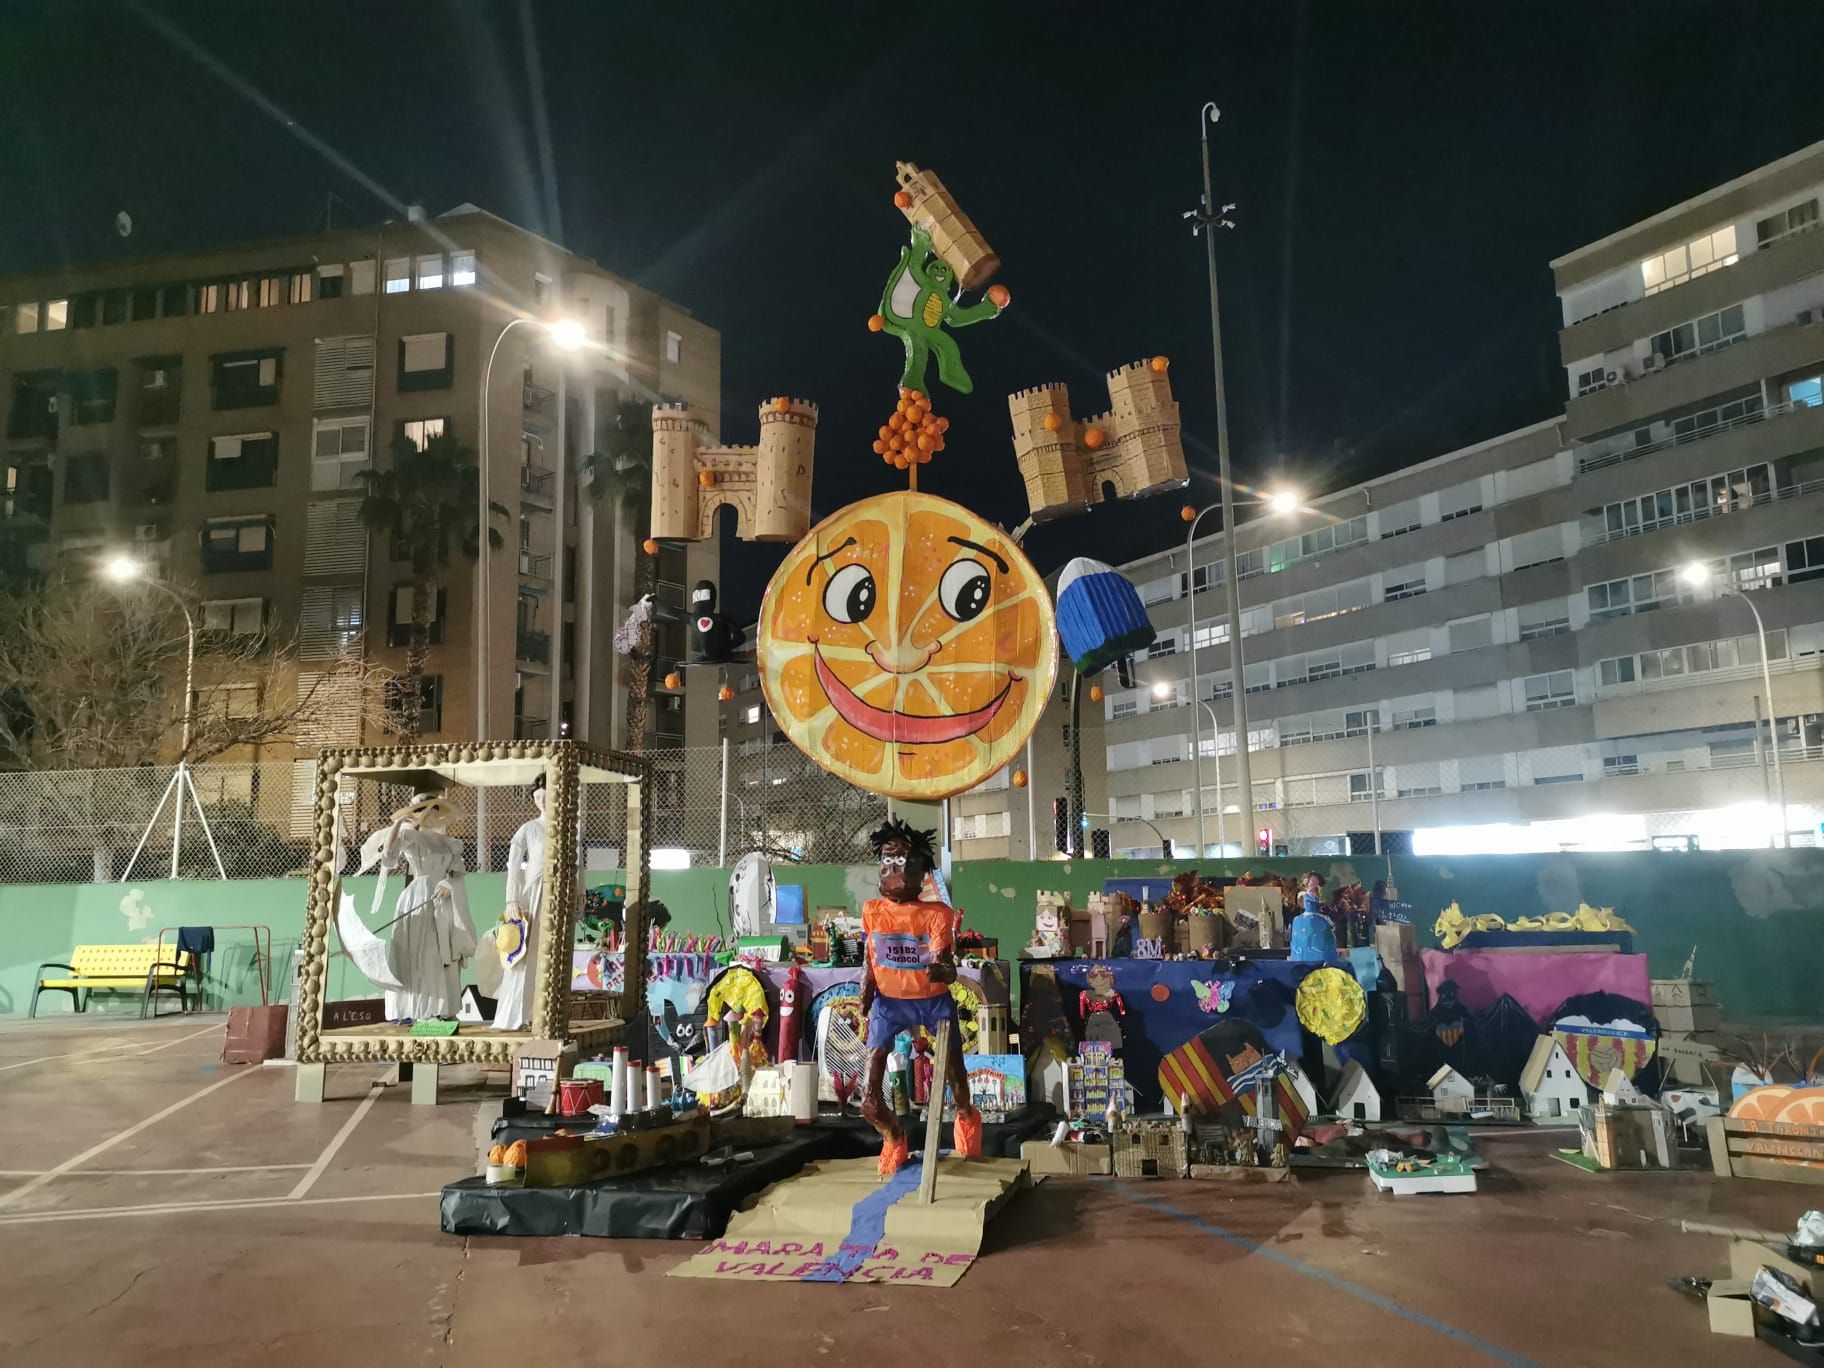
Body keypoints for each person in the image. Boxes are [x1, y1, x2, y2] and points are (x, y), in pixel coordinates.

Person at [859, 818, 983, 1177]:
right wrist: (865, 992)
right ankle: (894, 1137)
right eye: (888, 860)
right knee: (868, 1099)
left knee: (957, 1082)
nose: (894, 870)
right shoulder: (872, 911)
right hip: (887, 1003)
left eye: (904, 862)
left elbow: (944, 961)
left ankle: (967, 1122)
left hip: (933, 1003)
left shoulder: (937, 915)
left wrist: (945, 971)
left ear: (920, 871)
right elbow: (870, 955)